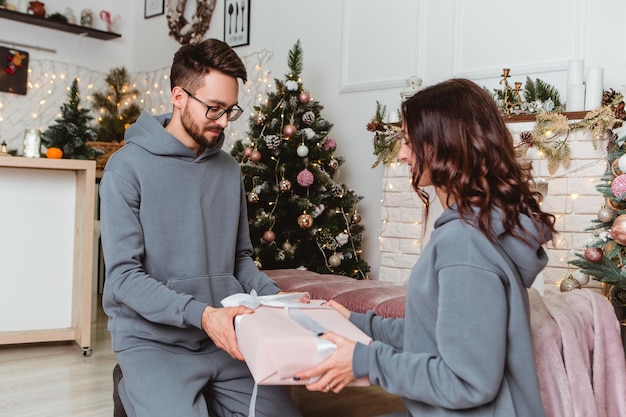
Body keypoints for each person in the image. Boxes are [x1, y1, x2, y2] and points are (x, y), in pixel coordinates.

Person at [295, 78, 555, 416]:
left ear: (444, 144)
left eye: (408, 140)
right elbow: (438, 333)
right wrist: (360, 323)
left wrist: (364, 361)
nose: (402, 153)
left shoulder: (465, 245)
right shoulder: (481, 228)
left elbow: (468, 382)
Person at [99, 38, 303, 417]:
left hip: (222, 340)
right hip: (152, 342)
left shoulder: (228, 170)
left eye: (231, 110)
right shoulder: (125, 169)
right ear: (179, 96)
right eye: (214, 109)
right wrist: (202, 315)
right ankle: (131, 384)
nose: (224, 122)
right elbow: (124, 278)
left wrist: (279, 301)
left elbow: (239, 260)